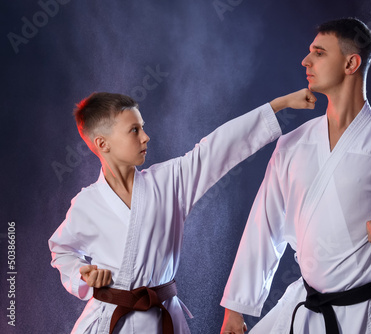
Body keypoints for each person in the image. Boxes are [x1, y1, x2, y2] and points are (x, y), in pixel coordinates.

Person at [220, 18, 371, 334]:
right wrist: (236, 309)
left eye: (319, 53)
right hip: (308, 308)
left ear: (351, 63)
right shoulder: (293, 144)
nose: (306, 61)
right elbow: (264, 227)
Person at [48, 88, 317, 334]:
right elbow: (61, 250)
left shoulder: (169, 181)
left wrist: (279, 105)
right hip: (109, 321)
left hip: (161, 319)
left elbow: (216, 149)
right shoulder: (86, 204)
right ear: (102, 144)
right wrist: (82, 273)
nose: (145, 136)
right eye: (134, 130)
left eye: (143, 127)